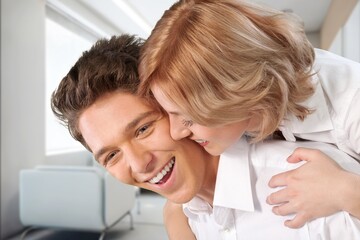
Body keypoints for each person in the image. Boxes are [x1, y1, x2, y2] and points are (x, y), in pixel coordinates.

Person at [50, 34, 360, 239]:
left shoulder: (305, 181)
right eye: (111, 155)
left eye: (143, 129)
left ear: (180, 107)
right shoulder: (190, 217)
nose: (139, 163)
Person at [138, 0, 360, 228]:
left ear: (234, 93)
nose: (176, 132)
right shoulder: (244, 117)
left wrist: (345, 190)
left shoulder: (352, 101)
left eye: (189, 118)